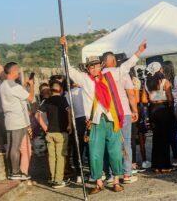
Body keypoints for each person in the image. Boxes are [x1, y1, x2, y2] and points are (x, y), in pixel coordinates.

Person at [60, 37, 146, 194]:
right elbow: (68, 70)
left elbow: (125, 67)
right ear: (87, 68)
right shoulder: (85, 80)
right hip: (94, 121)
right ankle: (98, 182)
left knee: (114, 152)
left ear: (100, 66)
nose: (93, 68)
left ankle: (116, 181)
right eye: (90, 66)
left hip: (111, 119)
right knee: (95, 153)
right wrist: (64, 51)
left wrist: (138, 52)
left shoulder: (110, 76)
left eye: (95, 65)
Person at [101, 52, 139, 183]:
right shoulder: (121, 72)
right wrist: (135, 110)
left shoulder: (99, 75)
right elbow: (131, 94)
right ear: (112, 61)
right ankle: (127, 174)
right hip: (124, 112)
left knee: (109, 143)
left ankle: (111, 175)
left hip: (107, 114)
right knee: (126, 142)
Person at [0, 62, 34, 180]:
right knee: (15, 147)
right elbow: (30, 98)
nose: (18, 73)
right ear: (13, 71)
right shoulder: (14, 86)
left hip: (9, 119)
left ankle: (12, 170)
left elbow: (20, 95)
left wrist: (25, 87)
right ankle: (15, 171)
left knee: (11, 146)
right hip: (18, 120)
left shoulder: (3, 85)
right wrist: (32, 86)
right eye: (17, 70)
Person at [36, 81, 72, 188]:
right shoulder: (63, 99)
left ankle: (52, 178)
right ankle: (58, 180)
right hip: (61, 132)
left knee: (52, 157)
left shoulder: (46, 101)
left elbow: (37, 115)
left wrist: (45, 128)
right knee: (60, 156)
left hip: (50, 132)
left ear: (51, 91)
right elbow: (69, 111)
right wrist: (69, 125)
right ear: (60, 90)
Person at [145, 62, 175, 172]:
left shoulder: (147, 83)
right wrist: (170, 107)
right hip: (163, 108)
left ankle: (156, 166)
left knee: (156, 138)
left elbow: (145, 99)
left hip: (152, 109)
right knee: (165, 138)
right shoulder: (165, 81)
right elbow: (170, 98)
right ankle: (165, 166)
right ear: (160, 70)